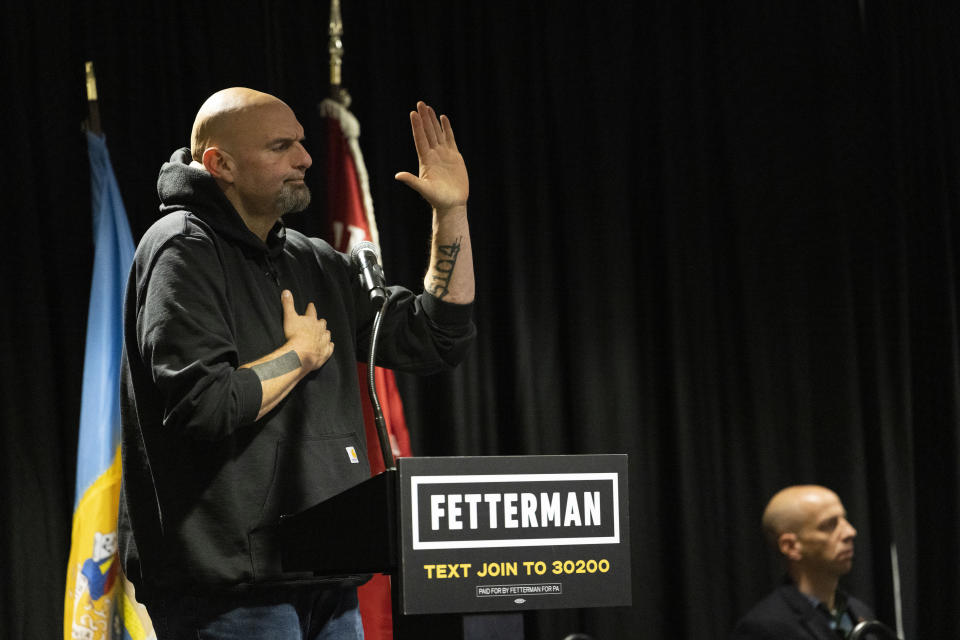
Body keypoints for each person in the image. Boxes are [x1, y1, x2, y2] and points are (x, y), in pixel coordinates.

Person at [117, 87, 476, 639]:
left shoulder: (312, 260)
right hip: (229, 596)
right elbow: (205, 405)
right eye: (281, 146)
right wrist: (298, 355)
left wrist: (450, 212)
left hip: (324, 574)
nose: (304, 158)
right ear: (221, 165)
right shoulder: (179, 251)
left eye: (302, 143)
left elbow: (433, 337)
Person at [731, 485, 876, 640]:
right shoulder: (764, 628)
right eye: (829, 525)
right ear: (791, 546)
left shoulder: (857, 611)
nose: (850, 532)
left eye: (844, 520)